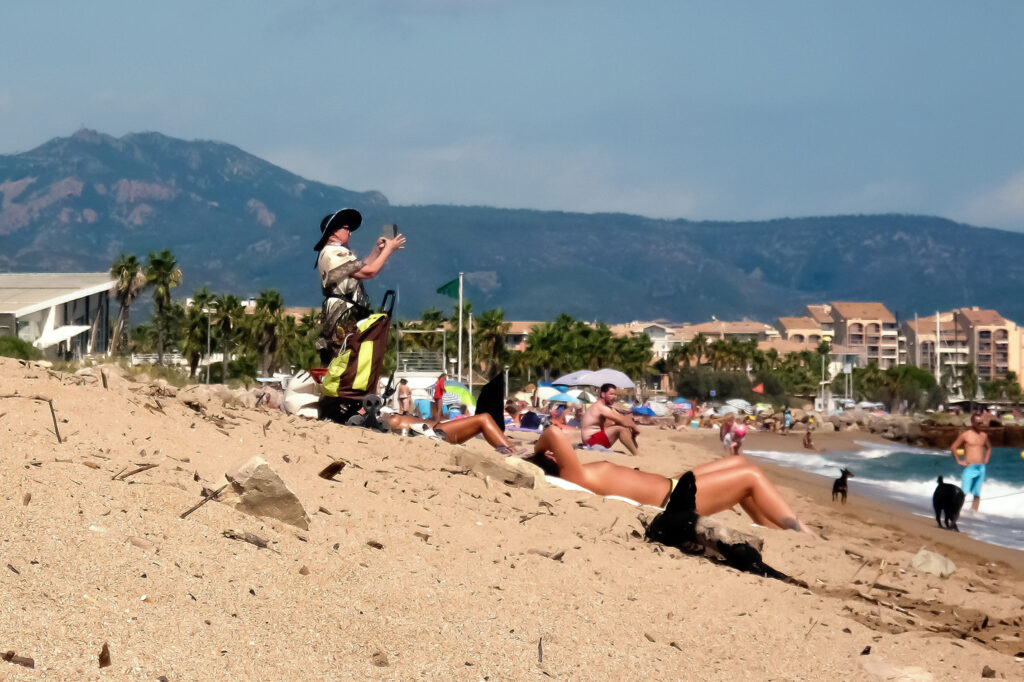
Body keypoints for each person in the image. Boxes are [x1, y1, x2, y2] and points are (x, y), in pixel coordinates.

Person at [521, 427, 808, 532]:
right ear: (553, 462)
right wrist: (536, 451)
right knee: (751, 476)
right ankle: (799, 531)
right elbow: (553, 434)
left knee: (738, 462)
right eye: (553, 456)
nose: (558, 454)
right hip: (674, 499)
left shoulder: (579, 472)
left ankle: (770, 524)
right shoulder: (576, 475)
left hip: (672, 483)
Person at [314, 208, 406, 365]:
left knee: (349, 360)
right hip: (342, 314)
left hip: (346, 312)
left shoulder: (336, 252)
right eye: (346, 228)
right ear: (333, 231)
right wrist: (388, 250)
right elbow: (369, 272)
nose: (350, 233)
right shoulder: (333, 253)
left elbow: (362, 267)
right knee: (345, 361)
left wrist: (378, 250)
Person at [384, 412, 521, 454]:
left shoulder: (396, 417)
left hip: (440, 429)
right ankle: (510, 451)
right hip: (439, 432)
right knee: (483, 419)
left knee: (483, 421)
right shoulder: (394, 419)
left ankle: (507, 446)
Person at [580, 383, 640, 455]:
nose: (614, 397)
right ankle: (636, 454)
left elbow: (621, 418)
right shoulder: (600, 407)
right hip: (590, 442)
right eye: (611, 394)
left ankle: (636, 451)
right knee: (620, 428)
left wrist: (631, 426)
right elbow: (622, 420)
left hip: (596, 439)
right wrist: (635, 427)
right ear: (603, 394)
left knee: (625, 426)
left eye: (615, 394)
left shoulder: (608, 407)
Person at [950, 413, 992, 512]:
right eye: (978, 423)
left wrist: (986, 459)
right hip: (970, 467)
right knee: (963, 493)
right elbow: (953, 447)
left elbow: (989, 448)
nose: (981, 424)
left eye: (981, 422)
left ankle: (973, 515)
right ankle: (955, 512)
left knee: (977, 494)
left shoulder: (984, 436)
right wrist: (959, 461)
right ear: (973, 423)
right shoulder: (966, 435)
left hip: (981, 467)